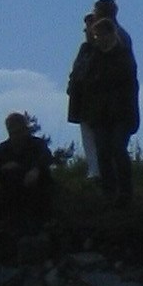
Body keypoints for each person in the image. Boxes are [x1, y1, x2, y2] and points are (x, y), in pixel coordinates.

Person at [77, 16, 141, 204]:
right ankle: (109, 191)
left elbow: (124, 84)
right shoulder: (93, 56)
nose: (99, 39)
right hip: (100, 114)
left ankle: (125, 192)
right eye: (96, 35)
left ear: (111, 34)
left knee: (117, 150)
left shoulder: (123, 55)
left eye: (101, 35)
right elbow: (86, 82)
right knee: (103, 151)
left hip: (120, 113)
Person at [0, 112, 52, 230]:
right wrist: (3, 169)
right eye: (14, 131)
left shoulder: (37, 144)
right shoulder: (3, 149)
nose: (17, 135)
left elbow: (46, 158)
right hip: (11, 199)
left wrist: (35, 170)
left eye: (20, 130)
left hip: (37, 195)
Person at [65, 12, 101, 181]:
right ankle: (93, 169)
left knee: (99, 136)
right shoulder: (84, 49)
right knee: (87, 135)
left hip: (97, 100)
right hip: (83, 98)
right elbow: (76, 71)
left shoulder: (102, 50)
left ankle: (99, 170)